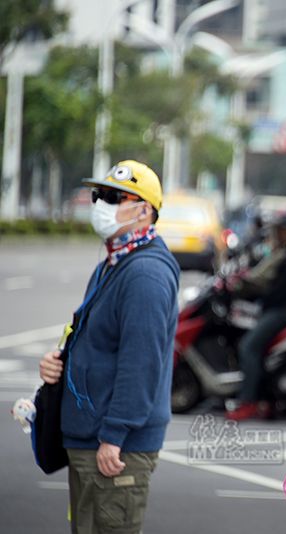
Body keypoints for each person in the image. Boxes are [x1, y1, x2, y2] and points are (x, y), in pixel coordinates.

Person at [38, 160, 179, 534]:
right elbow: (98, 341)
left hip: (115, 449)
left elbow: (141, 363)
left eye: (114, 197)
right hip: (93, 439)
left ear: (144, 210)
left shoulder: (145, 274)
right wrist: (60, 362)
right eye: (99, 195)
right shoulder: (116, 262)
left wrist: (115, 436)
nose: (101, 204)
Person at [226, 210, 286, 420]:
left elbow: (277, 292)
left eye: (283, 230)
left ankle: (248, 401)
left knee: (249, 347)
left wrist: (255, 296)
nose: (280, 235)